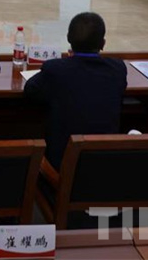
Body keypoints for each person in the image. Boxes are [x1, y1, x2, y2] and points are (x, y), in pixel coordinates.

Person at [23, 12, 127, 169]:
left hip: (61, 170)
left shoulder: (56, 69)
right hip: (105, 167)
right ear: (103, 43)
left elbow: (30, 90)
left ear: (68, 39)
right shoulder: (117, 69)